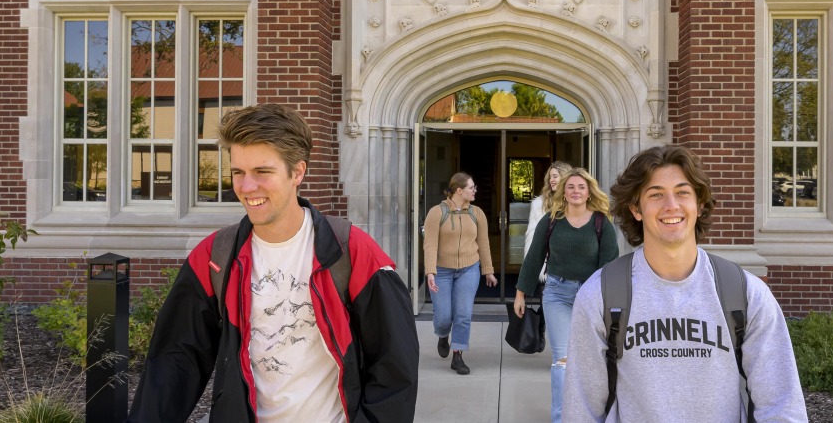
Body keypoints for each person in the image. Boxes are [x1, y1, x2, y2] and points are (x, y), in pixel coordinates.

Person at [129, 104, 419, 422]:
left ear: (298, 172)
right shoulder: (214, 258)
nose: (246, 187)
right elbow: (174, 363)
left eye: (262, 172)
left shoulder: (352, 252)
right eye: (238, 172)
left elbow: (395, 368)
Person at [562, 145, 807, 422]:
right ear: (636, 209)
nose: (671, 205)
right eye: (656, 194)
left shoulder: (745, 293)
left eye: (682, 192)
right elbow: (581, 409)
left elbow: (781, 405)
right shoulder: (601, 294)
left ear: (699, 205)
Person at [514, 167, 619, 423]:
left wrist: (609, 301)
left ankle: (587, 412)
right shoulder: (551, 221)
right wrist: (520, 293)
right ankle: (561, 418)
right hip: (557, 293)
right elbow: (533, 259)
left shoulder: (601, 223)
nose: (576, 191)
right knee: (562, 360)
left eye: (581, 187)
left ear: (589, 192)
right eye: (570, 187)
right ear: (563, 191)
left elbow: (609, 265)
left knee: (590, 360)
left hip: (591, 297)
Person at [422, 172, 498, 375]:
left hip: (469, 268)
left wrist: (488, 271)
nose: (475, 191)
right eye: (471, 188)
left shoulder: (477, 213)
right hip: (442, 271)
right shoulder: (436, 213)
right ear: (459, 190)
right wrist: (430, 272)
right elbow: (430, 245)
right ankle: (443, 335)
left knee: (463, 314)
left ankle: (458, 355)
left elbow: (484, 244)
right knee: (443, 317)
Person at [522, 161, 573, 269]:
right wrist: (531, 265)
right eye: (550, 177)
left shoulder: (575, 203)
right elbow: (532, 236)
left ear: (565, 177)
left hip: (570, 263)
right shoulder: (539, 204)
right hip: (546, 265)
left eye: (555, 176)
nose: (551, 180)